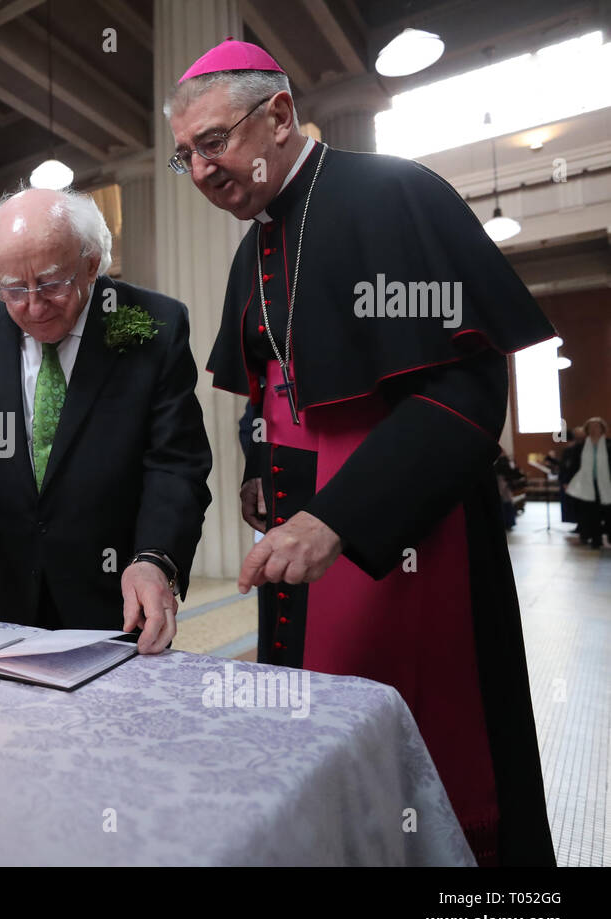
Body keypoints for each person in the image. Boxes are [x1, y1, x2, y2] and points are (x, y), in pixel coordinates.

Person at [168, 38, 556, 865]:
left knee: (412, 746)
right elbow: (269, 384)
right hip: (302, 544)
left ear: (278, 115)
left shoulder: (397, 194)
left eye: (212, 143)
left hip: (400, 539)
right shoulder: (255, 246)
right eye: (183, 157)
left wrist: (336, 517)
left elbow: (466, 393)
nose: (200, 171)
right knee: (319, 746)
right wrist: (255, 468)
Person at [0, 188, 213, 655]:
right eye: (13, 289)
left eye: (53, 283)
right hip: (14, 589)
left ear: (92, 263)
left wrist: (155, 559)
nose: (34, 307)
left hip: (120, 590)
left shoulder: (155, 324)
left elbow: (176, 462)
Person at [566, 416, 610, 547]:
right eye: (591, 427)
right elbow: (573, 466)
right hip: (587, 484)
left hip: (607, 484)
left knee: (608, 512)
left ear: (602, 429)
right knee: (591, 514)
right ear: (587, 429)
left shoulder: (609, 444)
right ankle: (595, 540)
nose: (594, 429)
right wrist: (567, 481)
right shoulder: (580, 447)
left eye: (597, 426)